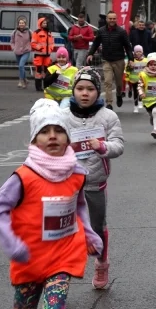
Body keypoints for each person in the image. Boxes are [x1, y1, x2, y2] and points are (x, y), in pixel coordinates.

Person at [0, 99, 103, 309]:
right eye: (45, 132)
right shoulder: (22, 177)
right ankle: (24, 307)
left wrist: (89, 233)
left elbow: (79, 205)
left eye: (58, 130)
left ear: (68, 137)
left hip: (63, 256)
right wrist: (12, 244)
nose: (52, 136)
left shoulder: (77, 173)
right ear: (34, 140)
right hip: (28, 259)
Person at [64, 68, 124, 289]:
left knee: (97, 226)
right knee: (65, 227)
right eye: (80, 88)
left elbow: (119, 145)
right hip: (68, 183)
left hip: (95, 181)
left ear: (98, 91)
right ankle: (64, 269)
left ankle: (101, 263)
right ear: (74, 91)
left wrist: (103, 147)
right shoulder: (63, 117)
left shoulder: (108, 117)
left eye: (90, 89)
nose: (85, 93)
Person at [86, 11, 133, 109]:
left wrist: (131, 59)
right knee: (107, 82)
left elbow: (128, 46)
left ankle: (119, 94)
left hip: (119, 60)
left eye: (113, 19)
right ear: (107, 19)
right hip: (106, 60)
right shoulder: (101, 31)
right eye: (110, 19)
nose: (112, 20)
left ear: (116, 19)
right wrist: (90, 54)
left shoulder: (121, 32)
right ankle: (109, 103)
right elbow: (96, 43)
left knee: (119, 83)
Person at [30, 17, 54, 93]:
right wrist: (40, 48)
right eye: (43, 23)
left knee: (46, 71)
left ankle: (45, 86)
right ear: (40, 24)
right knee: (39, 71)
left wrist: (51, 49)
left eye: (46, 23)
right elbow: (33, 43)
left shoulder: (49, 32)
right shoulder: (36, 32)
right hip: (39, 54)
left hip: (47, 55)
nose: (45, 24)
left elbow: (52, 43)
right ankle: (38, 87)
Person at [11, 17, 31, 89]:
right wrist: (14, 48)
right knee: (21, 67)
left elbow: (32, 40)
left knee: (21, 66)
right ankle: (25, 80)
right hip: (17, 52)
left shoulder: (29, 32)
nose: (21, 24)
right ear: (18, 24)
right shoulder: (14, 32)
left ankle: (21, 81)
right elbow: (12, 42)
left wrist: (29, 47)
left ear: (25, 24)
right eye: (20, 23)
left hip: (26, 51)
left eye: (23, 23)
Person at [127, 45, 148, 113]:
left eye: (140, 52)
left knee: (141, 91)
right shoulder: (131, 60)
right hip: (134, 80)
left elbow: (148, 69)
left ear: (142, 52)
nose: (138, 53)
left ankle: (140, 100)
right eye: (137, 52)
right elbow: (127, 69)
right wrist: (130, 66)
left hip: (142, 80)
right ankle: (135, 106)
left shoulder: (146, 60)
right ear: (134, 52)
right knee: (135, 92)